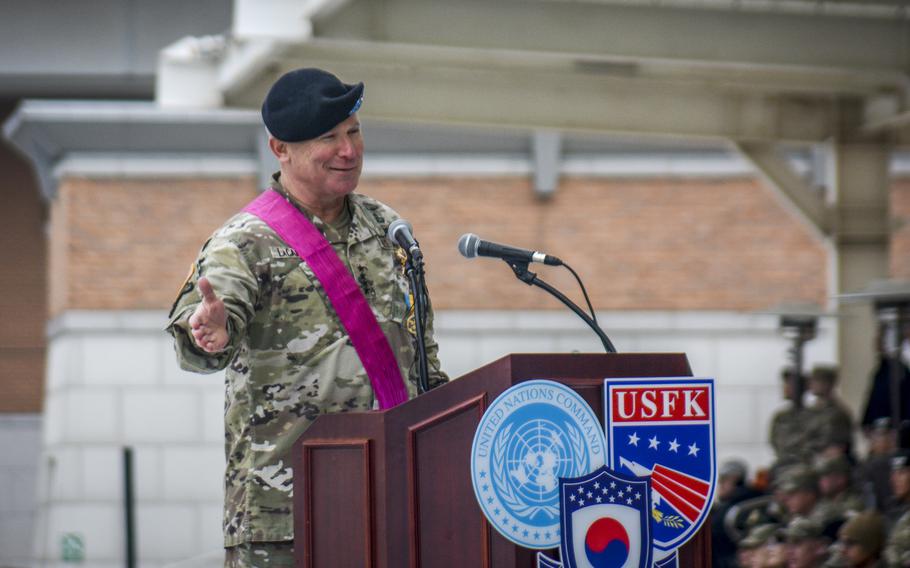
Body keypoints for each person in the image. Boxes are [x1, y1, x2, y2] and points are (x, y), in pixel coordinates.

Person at [166, 68, 448, 566]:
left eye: (354, 132)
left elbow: (423, 364)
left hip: (393, 496)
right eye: (329, 138)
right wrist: (209, 330)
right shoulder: (245, 241)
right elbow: (206, 325)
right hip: (286, 514)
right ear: (281, 148)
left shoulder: (388, 229)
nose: (349, 150)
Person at [807, 364, 856, 458]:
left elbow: (838, 447)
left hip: (829, 461)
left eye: (817, 380)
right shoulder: (810, 411)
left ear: (828, 384)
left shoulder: (838, 413)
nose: (812, 384)